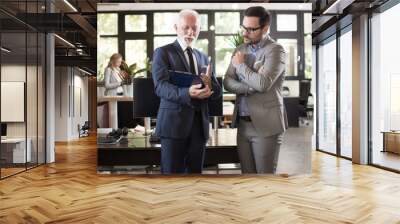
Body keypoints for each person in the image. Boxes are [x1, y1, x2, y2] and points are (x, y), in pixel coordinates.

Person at [152, 9, 222, 174]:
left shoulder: (203, 57)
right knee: (172, 177)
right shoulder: (163, 53)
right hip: (173, 126)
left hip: (200, 127)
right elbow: (160, 86)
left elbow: (218, 91)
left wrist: (210, 85)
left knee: (195, 177)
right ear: (176, 27)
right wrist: (187, 93)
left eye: (195, 28)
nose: (191, 32)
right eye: (186, 28)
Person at [223, 6, 288, 174]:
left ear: (265, 28)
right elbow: (227, 81)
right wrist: (247, 88)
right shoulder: (240, 50)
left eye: (251, 29)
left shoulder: (276, 50)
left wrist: (240, 66)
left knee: (264, 180)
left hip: (266, 126)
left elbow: (263, 84)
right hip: (243, 125)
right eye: (244, 27)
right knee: (247, 177)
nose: (245, 33)